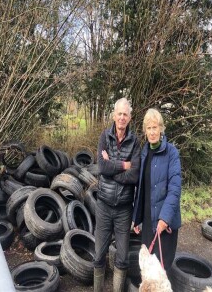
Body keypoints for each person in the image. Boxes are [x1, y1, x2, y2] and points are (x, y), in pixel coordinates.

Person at [94, 97, 141, 292]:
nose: (122, 118)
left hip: (123, 209)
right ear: (114, 115)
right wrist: (123, 166)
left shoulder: (135, 141)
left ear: (130, 118)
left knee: (122, 259)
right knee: (98, 255)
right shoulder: (105, 137)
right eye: (119, 114)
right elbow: (102, 167)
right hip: (104, 206)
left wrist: (114, 172)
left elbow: (135, 174)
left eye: (125, 114)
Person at [132, 108, 182, 271]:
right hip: (147, 222)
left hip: (164, 224)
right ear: (145, 131)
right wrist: (137, 217)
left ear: (161, 129)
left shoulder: (172, 153)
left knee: (161, 271)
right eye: (149, 128)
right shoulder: (144, 153)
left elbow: (175, 189)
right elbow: (141, 188)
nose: (152, 132)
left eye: (155, 128)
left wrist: (165, 218)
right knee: (148, 270)